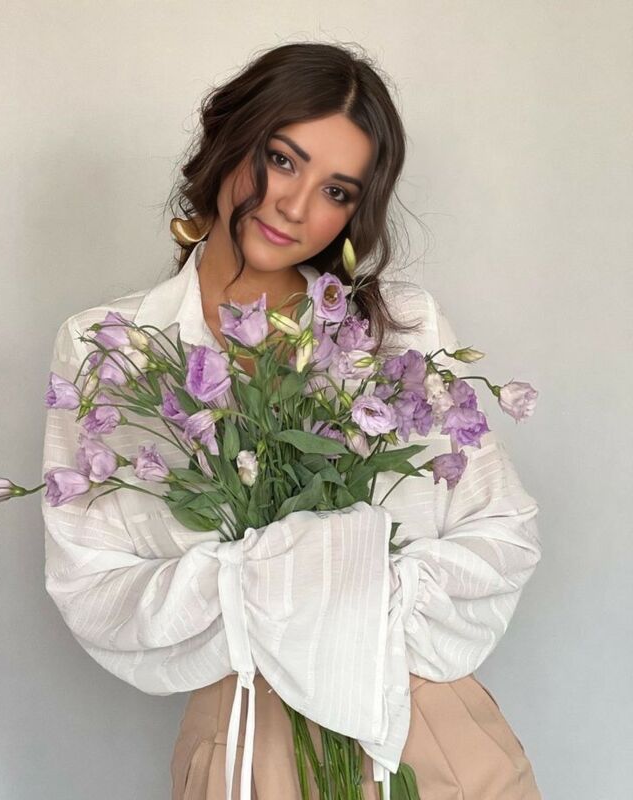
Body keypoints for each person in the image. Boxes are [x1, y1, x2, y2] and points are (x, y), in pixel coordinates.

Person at [41, 42, 543, 799]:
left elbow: (504, 531)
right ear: (227, 137)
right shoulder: (110, 347)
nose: (296, 207)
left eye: (336, 190)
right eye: (281, 160)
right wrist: (253, 585)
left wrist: (369, 583)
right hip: (245, 741)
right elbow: (90, 583)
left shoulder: (400, 331)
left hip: (428, 737)